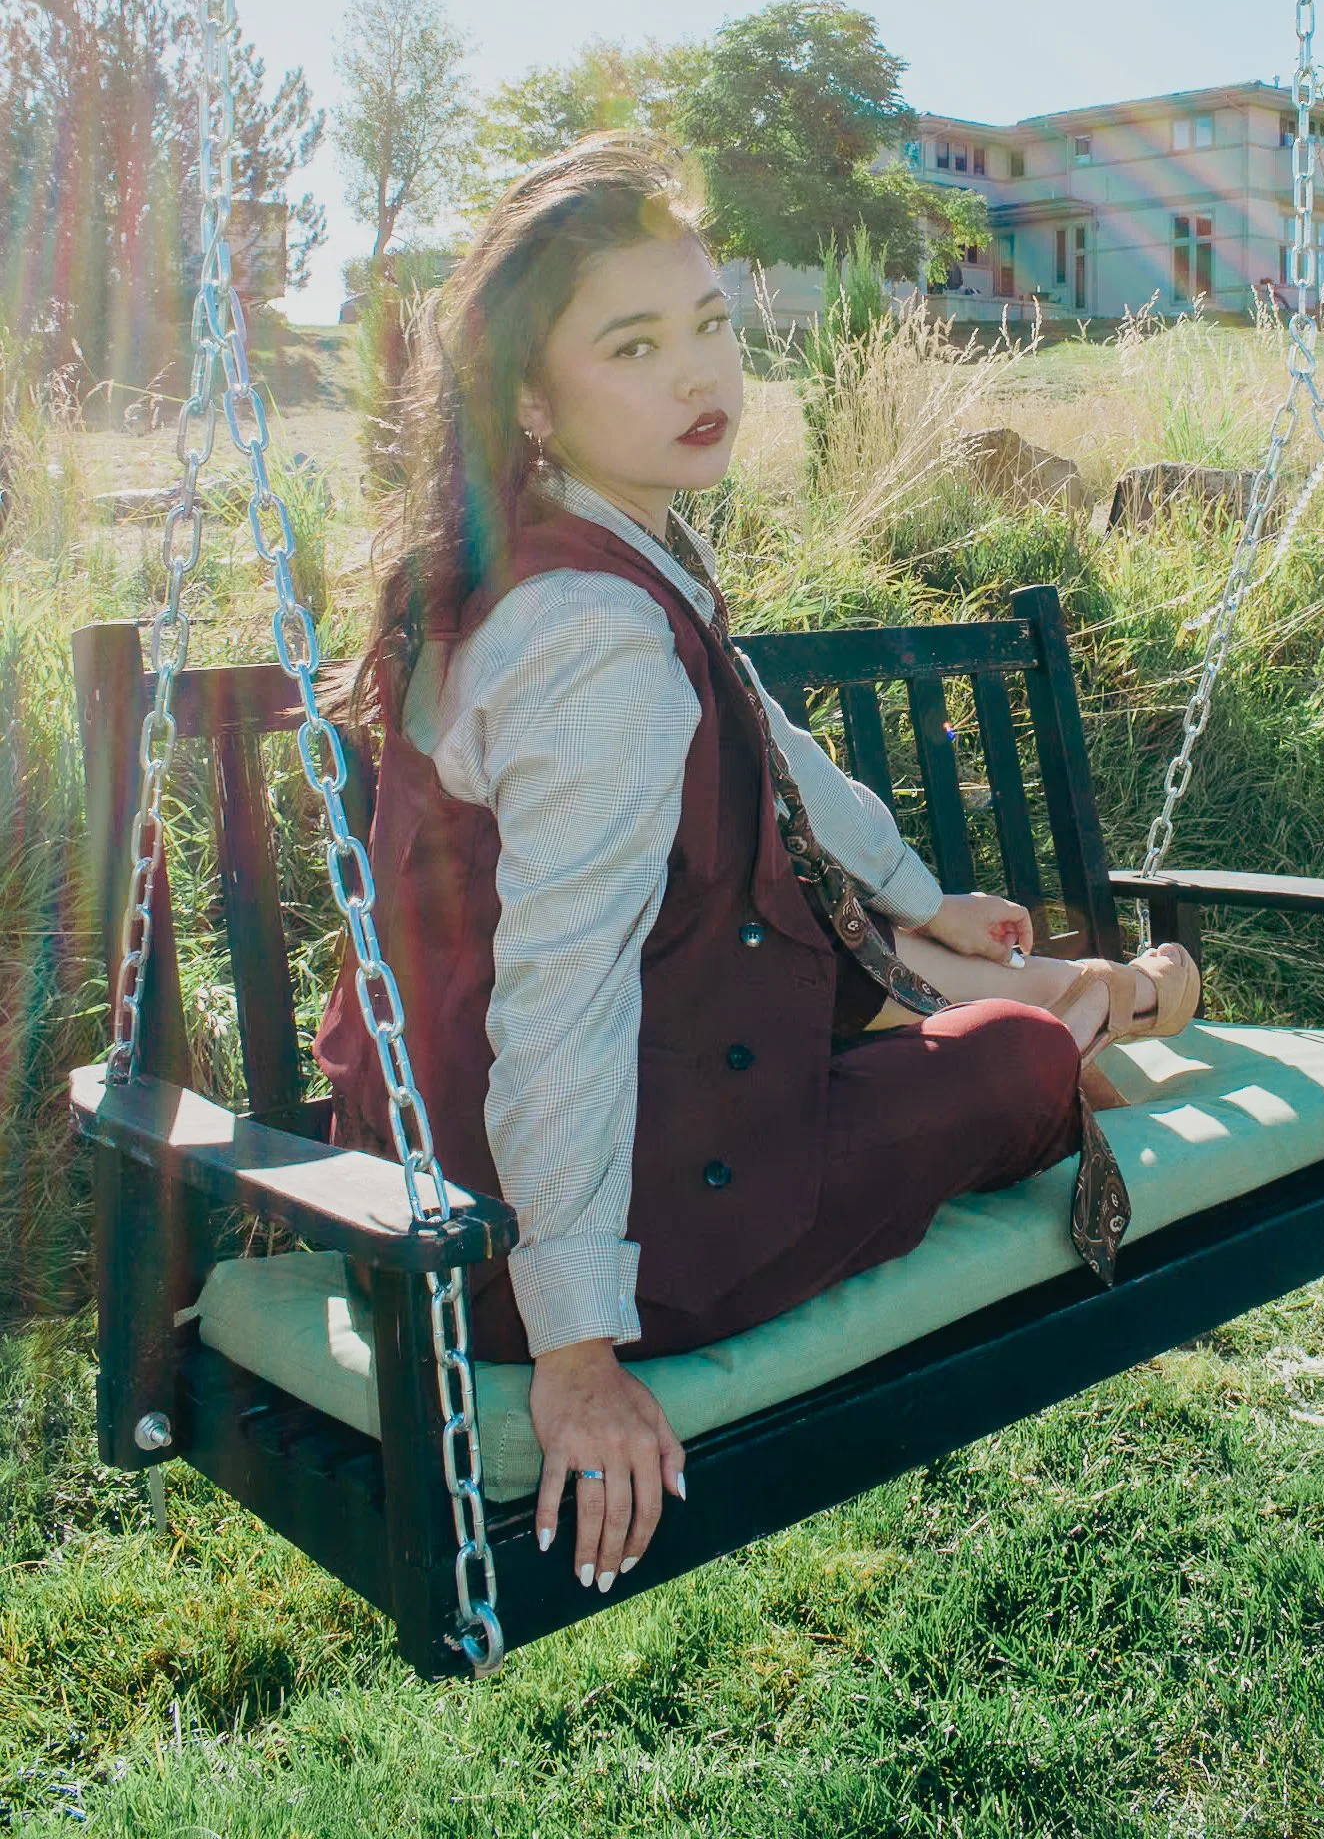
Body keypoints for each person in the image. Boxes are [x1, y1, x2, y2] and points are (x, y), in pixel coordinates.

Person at [314, 139, 1198, 1602]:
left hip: (442, 1167)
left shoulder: (567, 551)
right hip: (527, 1237)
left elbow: (766, 735)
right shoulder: (590, 638)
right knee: (1016, 1063)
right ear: (533, 398)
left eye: (710, 323)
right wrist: (581, 1352)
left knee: (933, 991)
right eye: (635, 344)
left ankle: (1077, 993)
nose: (695, 374)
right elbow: (561, 996)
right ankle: (1100, 1010)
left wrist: (913, 888)